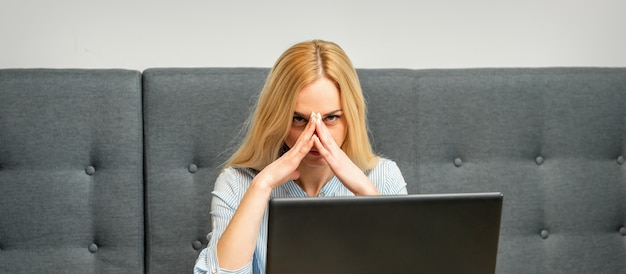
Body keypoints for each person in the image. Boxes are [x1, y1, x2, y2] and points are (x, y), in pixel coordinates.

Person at [194, 39, 407, 274]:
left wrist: (366, 193)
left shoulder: (384, 177)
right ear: (278, 118)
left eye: (331, 118)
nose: (316, 135)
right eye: (298, 119)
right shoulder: (237, 183)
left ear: (351, 116)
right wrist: (262, 185)